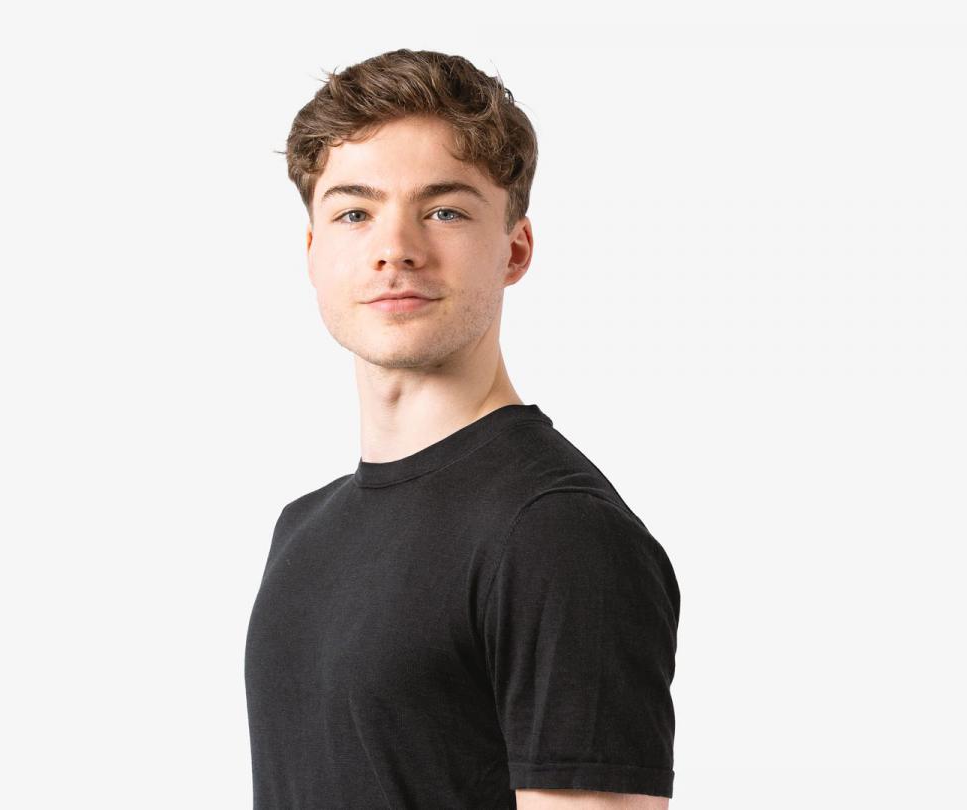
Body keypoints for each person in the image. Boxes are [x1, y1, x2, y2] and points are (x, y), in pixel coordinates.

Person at [244, 48, 680, 810]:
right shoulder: (302, 528)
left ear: (515, 249)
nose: (396, 249)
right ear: (313, 253)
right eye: (354, 212)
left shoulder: (556, 531)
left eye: (444, 210)